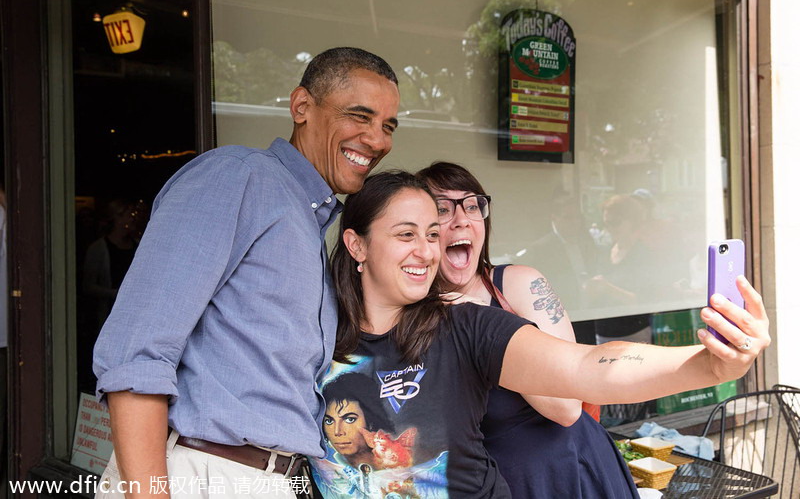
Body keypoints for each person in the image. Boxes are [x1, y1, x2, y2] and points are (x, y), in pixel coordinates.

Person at [309, 170, 769, 498]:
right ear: (357, 245)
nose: (427, 251)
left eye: (432, 235)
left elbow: (588, 367)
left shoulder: (463, 326)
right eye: (406, 234)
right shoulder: (315, 338)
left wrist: (707, 365)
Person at [92, 47, 400, 498]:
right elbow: (137, 357)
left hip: (270, 479)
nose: (377, 140)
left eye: (388, 126)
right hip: (199, 473)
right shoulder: (238, 177)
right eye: (360, 116)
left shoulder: (309, 221)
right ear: (302, 106)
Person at [416, 162, 634, 497]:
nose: (461, 219)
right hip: (485, 486)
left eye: (472, 206)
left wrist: (481, 324)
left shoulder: (520, 284)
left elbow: (566, 408)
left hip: (566, 471)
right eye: (442, 209)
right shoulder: (412, 316)